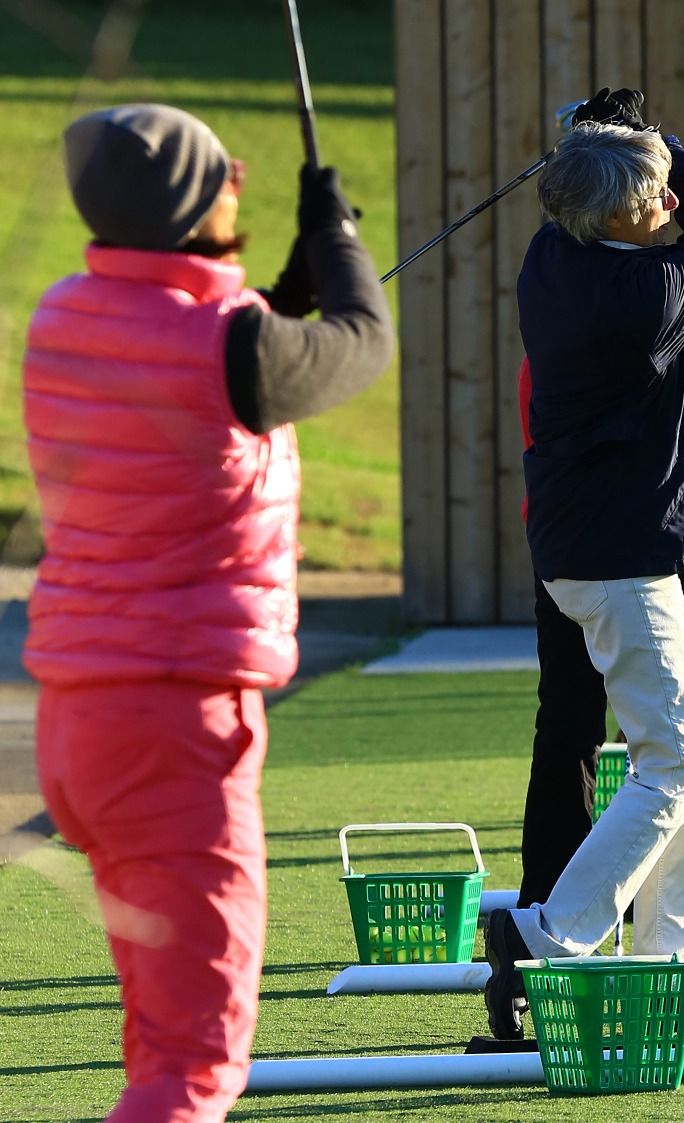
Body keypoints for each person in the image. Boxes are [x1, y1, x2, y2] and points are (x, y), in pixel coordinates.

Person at [25, 103, 392, 1121]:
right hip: (178, 727)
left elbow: (200, 370)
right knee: (194, 1067)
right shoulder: (236, 349)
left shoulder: (63, 315)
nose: (239, 181)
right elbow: (363, 342)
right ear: (192, 205)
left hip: (82, 724)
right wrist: (337, 238)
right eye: (224, 174)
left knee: (161, 1044)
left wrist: (281, 292)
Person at [484, 101, 684, 1040]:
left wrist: (609, 144)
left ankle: (664, 978)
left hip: (593, 547)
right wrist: (661, 137)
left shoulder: (548, 261)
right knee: (677, 758)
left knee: (673, 758)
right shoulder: (651, 293)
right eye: (652, 194)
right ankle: (547, 933)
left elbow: (660, 207)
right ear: (610, 215)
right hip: (623, 558)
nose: (670, 200)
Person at [513, 309, 684, 958]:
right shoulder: (560, 332)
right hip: (604, 548)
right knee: (602, 731)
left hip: (675, 544)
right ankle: (547, 918)